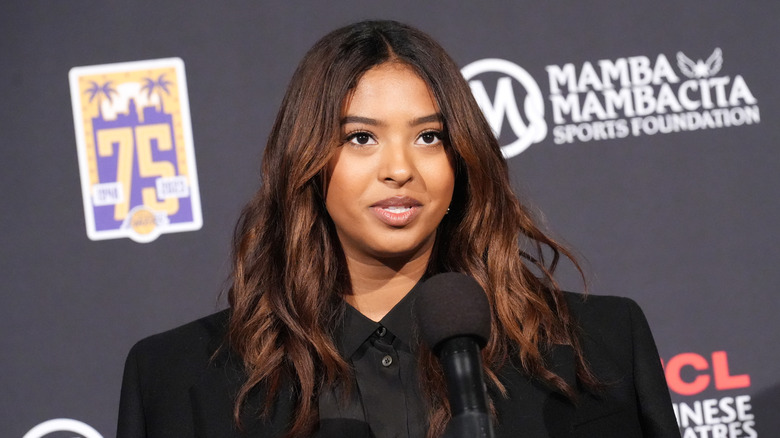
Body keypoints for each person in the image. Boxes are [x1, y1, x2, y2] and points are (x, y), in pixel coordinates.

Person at [117, 20, 680, 438]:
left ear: (461, 159)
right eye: (361, 137)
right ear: (307, 162)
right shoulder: (179, 380)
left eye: (429, 136)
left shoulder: (600, 347)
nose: (400, 169)